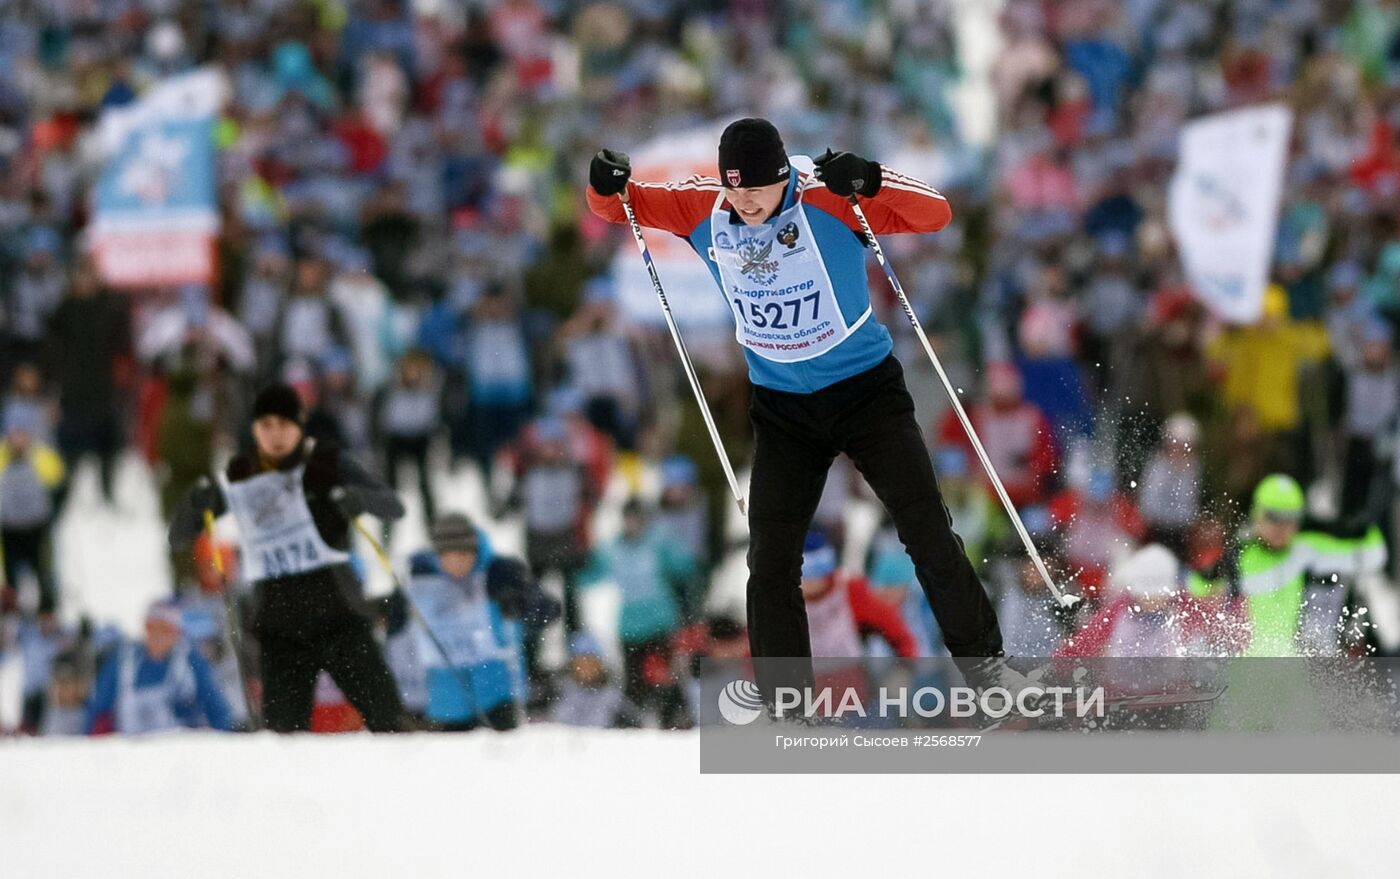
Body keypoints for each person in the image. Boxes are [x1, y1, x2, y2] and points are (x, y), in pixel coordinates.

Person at [588, 118, 1007, 701]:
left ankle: (989, 672)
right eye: (733, 189)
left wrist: (870, 180)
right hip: (785, 411)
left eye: (755, 189)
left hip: (866, 395)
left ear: (782, 177)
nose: (744, 202)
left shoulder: (828, 198)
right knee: (771, 560)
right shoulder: (704, 210)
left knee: (927, 534)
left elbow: (934, 213)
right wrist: (602, 182)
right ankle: (788, 702)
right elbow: (620, 206)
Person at [168, 382, 409, 732]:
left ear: (300, 426)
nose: (276, 435)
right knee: (282, 743)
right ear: (254, 430)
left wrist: (358, 498)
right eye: (266, 426)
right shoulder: (241, 475)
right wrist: (194, 502)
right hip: (281, 631)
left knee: (389, 722)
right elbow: (179, 536)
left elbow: (393, 506)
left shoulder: (327, 462)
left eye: (284, 425)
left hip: (339, 618)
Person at [388, 513, 522, 732]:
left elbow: (541, 608)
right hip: (446, 698)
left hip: (496, 691)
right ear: (438, 555)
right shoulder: (419, 581)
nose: (457, 562)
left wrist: (520, 604)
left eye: (464, 554)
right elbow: (394, 627)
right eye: (449, 556)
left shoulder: (498, 573)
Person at [1233, 474, 1387, 657]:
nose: (1281, 528)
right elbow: (1199, 588)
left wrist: (1342, 528)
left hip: (1301, 670)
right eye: (1273, 517)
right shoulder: (1239, 555)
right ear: (1257, 515)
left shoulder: (1306, 550)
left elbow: (1375, 556)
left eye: (1290, 518)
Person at [85, 600, 235, 735]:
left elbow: (218, 709)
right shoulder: (122, 662)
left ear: (176, 633)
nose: (159, 635)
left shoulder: (191, 662)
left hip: (180, 752)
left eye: (166, 629)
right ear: (146, 628)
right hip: (130, 753)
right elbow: (97, 708)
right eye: (154, 628)